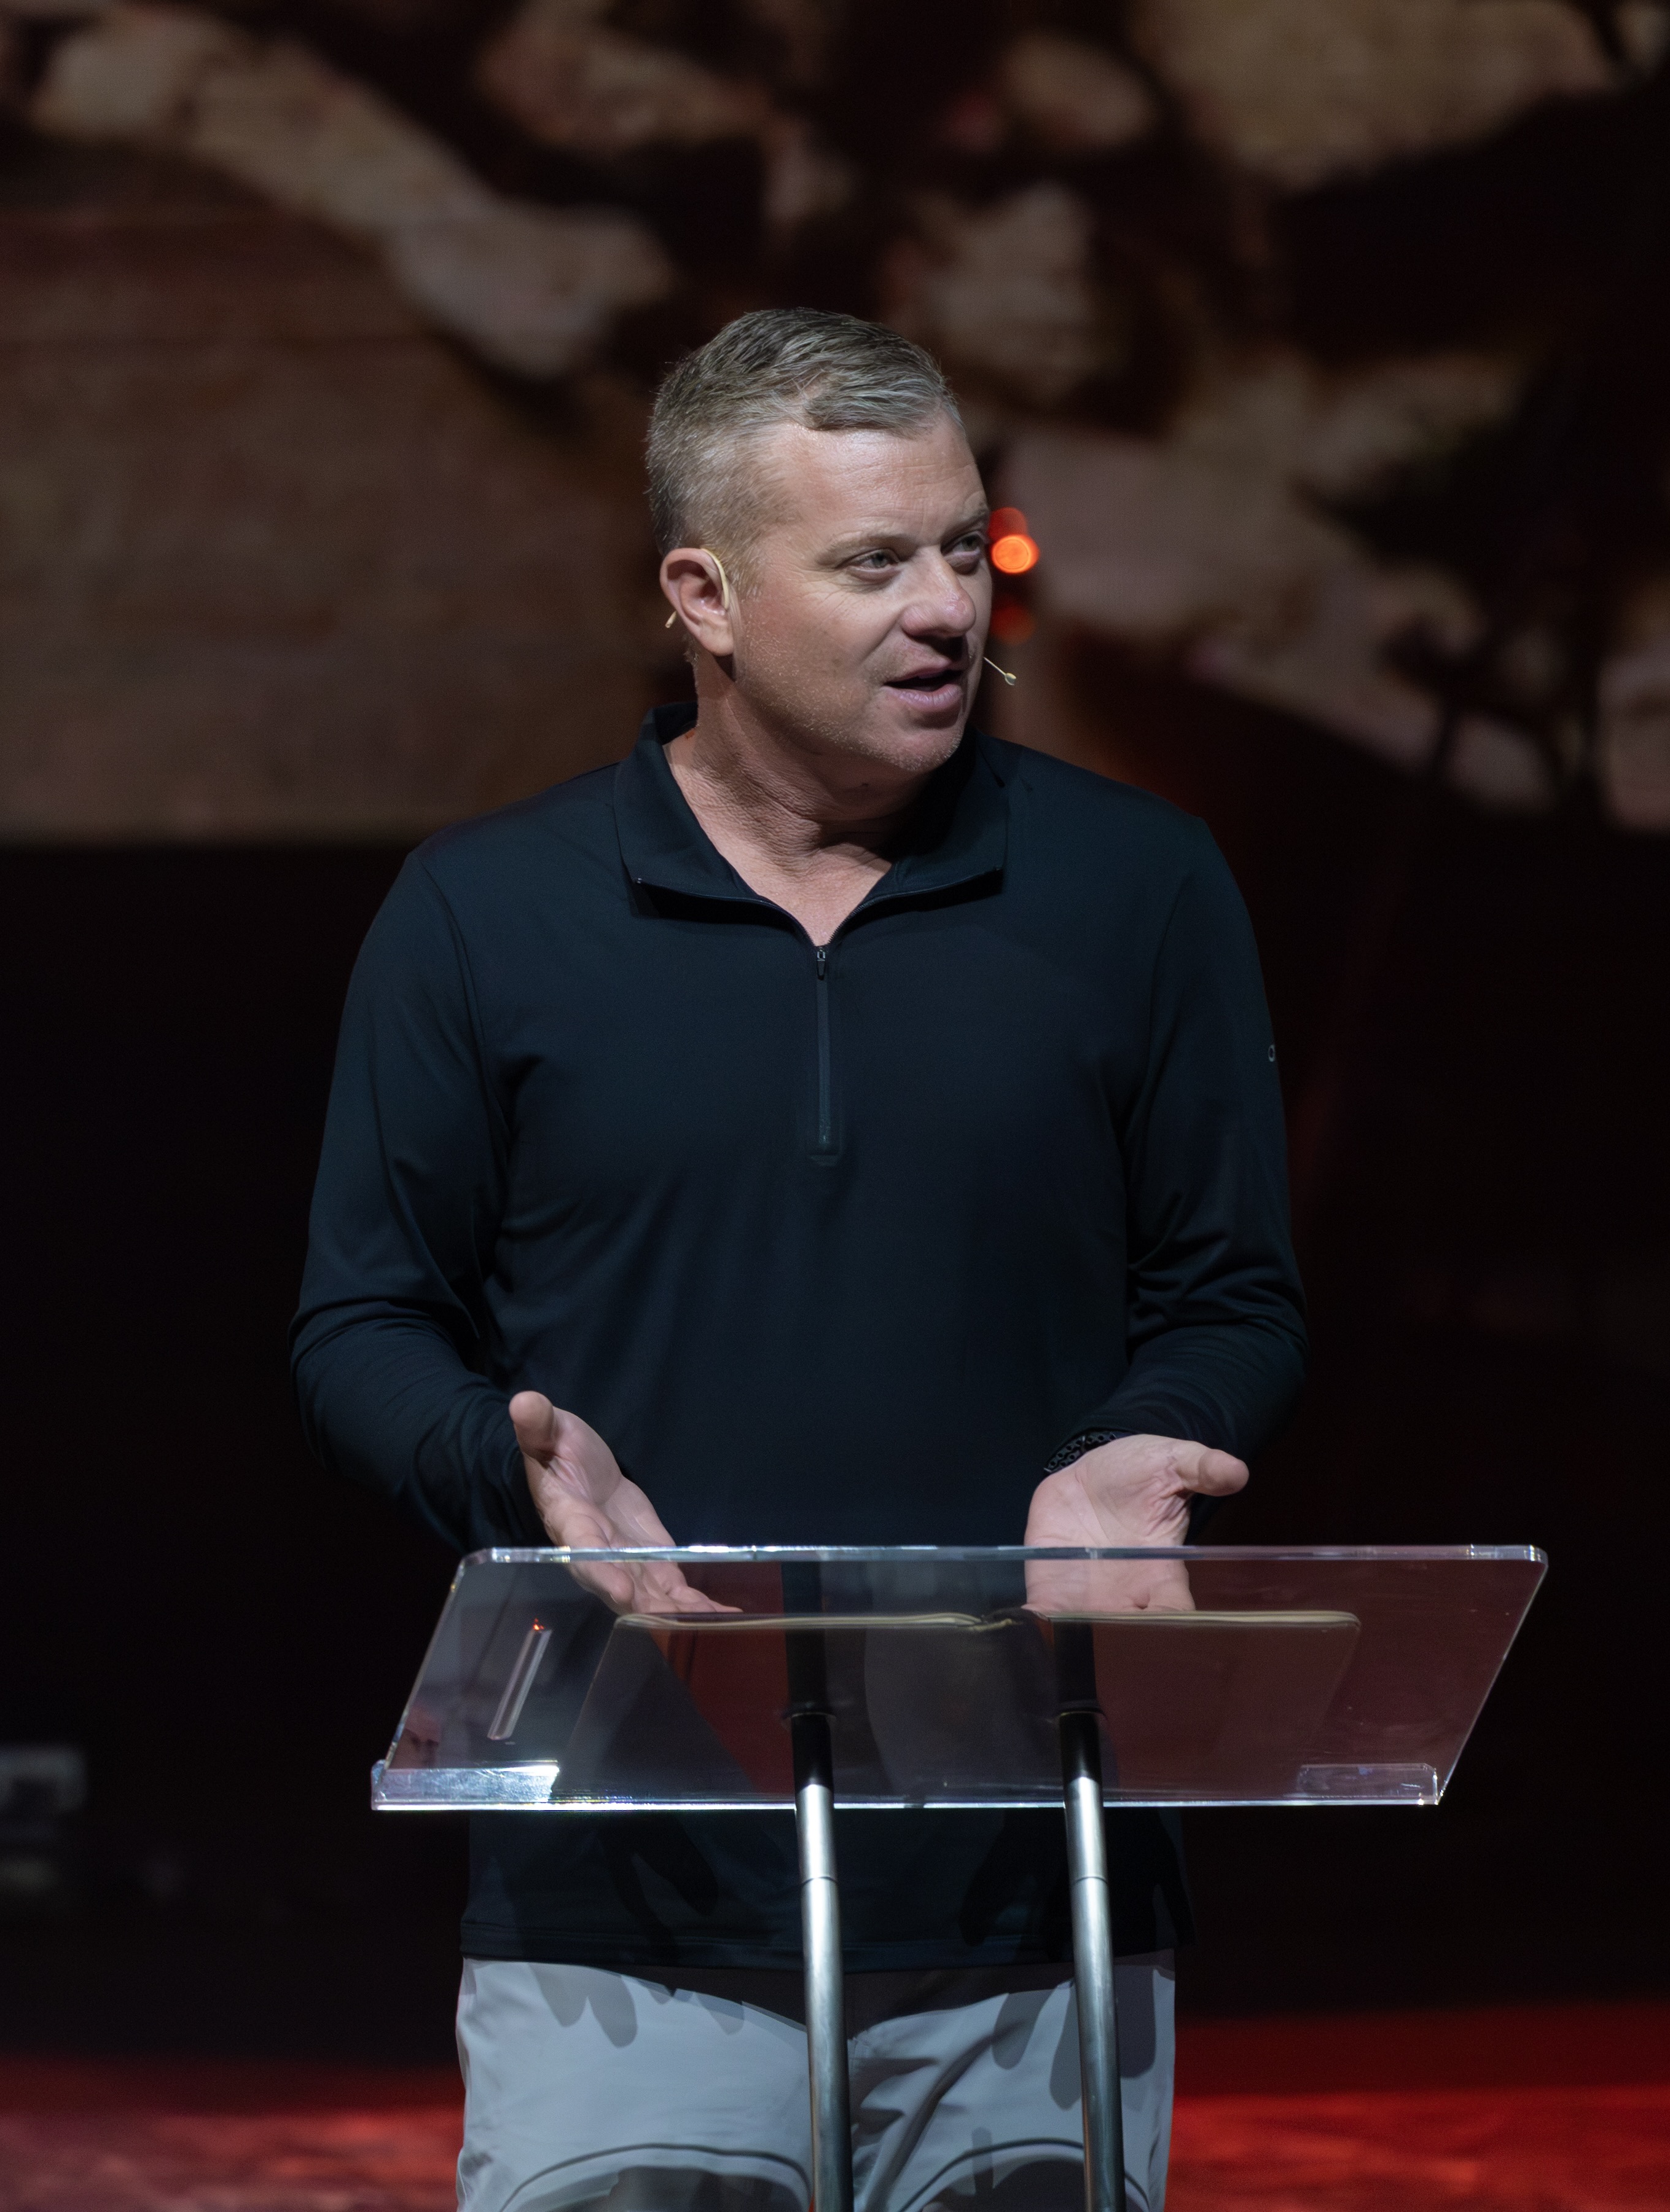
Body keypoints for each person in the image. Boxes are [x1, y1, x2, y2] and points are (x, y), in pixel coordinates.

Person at [293, 308, 1306, 2212]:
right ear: (705, 596)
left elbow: (1233, 1293)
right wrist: (507, 1468)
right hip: (620, 1901)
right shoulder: (486, 914)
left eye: (962, 548)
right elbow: (362, 1322)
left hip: (1040, 1892)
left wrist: (1145, 1440)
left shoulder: (1140, 889)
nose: (948, 610)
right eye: (872, 563)